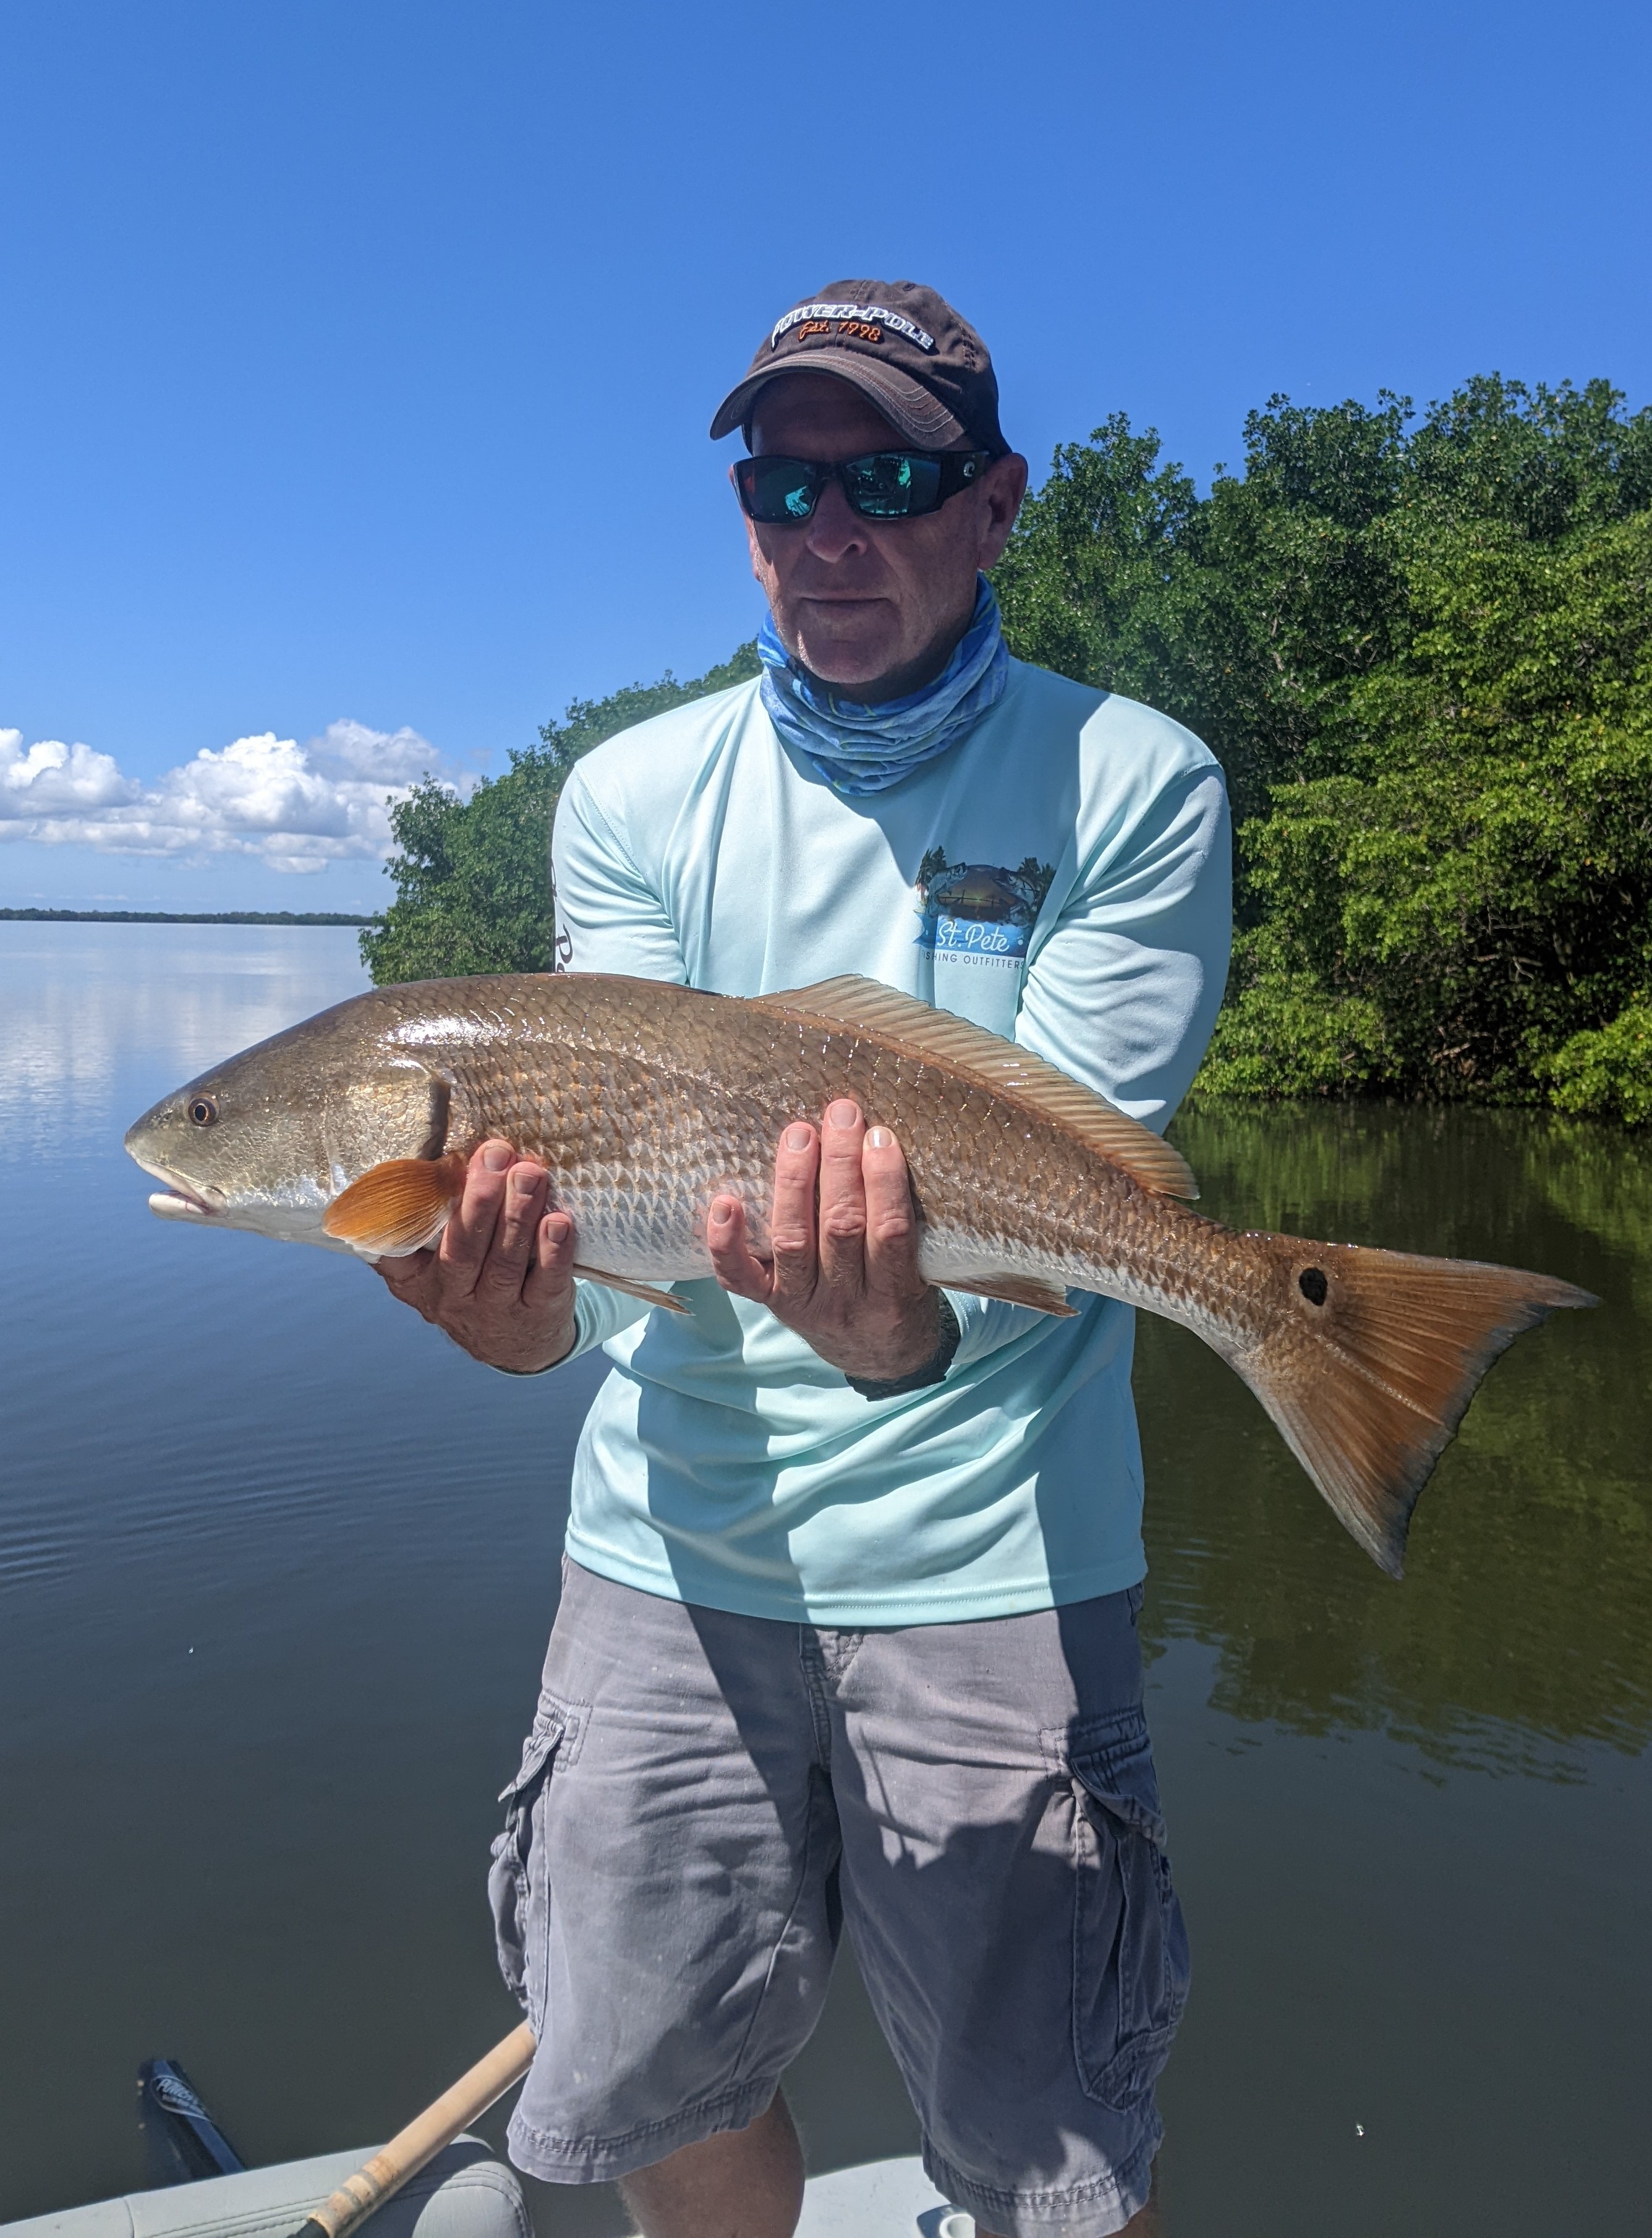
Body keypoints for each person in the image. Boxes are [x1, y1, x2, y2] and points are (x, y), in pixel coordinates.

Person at [378, 280, 1231, 2238]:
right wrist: (514, 1326)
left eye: (893, 475)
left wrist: (903, 1337)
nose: (828, 530)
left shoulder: (1133, 779)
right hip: (668, 1550)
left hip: (997, 1555)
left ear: (997, 503)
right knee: (664, 2090)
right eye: (781, 482)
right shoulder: (631, 796)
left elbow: (1092, 1200)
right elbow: (604, 1261)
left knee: (1054, 2158)